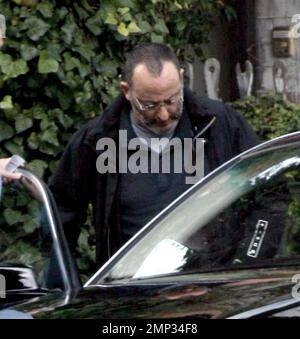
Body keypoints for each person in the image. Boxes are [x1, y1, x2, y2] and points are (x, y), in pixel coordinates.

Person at [50, 43, 259, 267]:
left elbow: (268, 192)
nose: (163, 115)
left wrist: (247, 261)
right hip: (133, 290)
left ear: (181, 78)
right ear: (126, 91)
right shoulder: (96, 141)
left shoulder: (219, 123)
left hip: (211, 287)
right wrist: (64, 286)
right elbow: (60, 218)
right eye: (149, 104)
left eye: (171, 100)